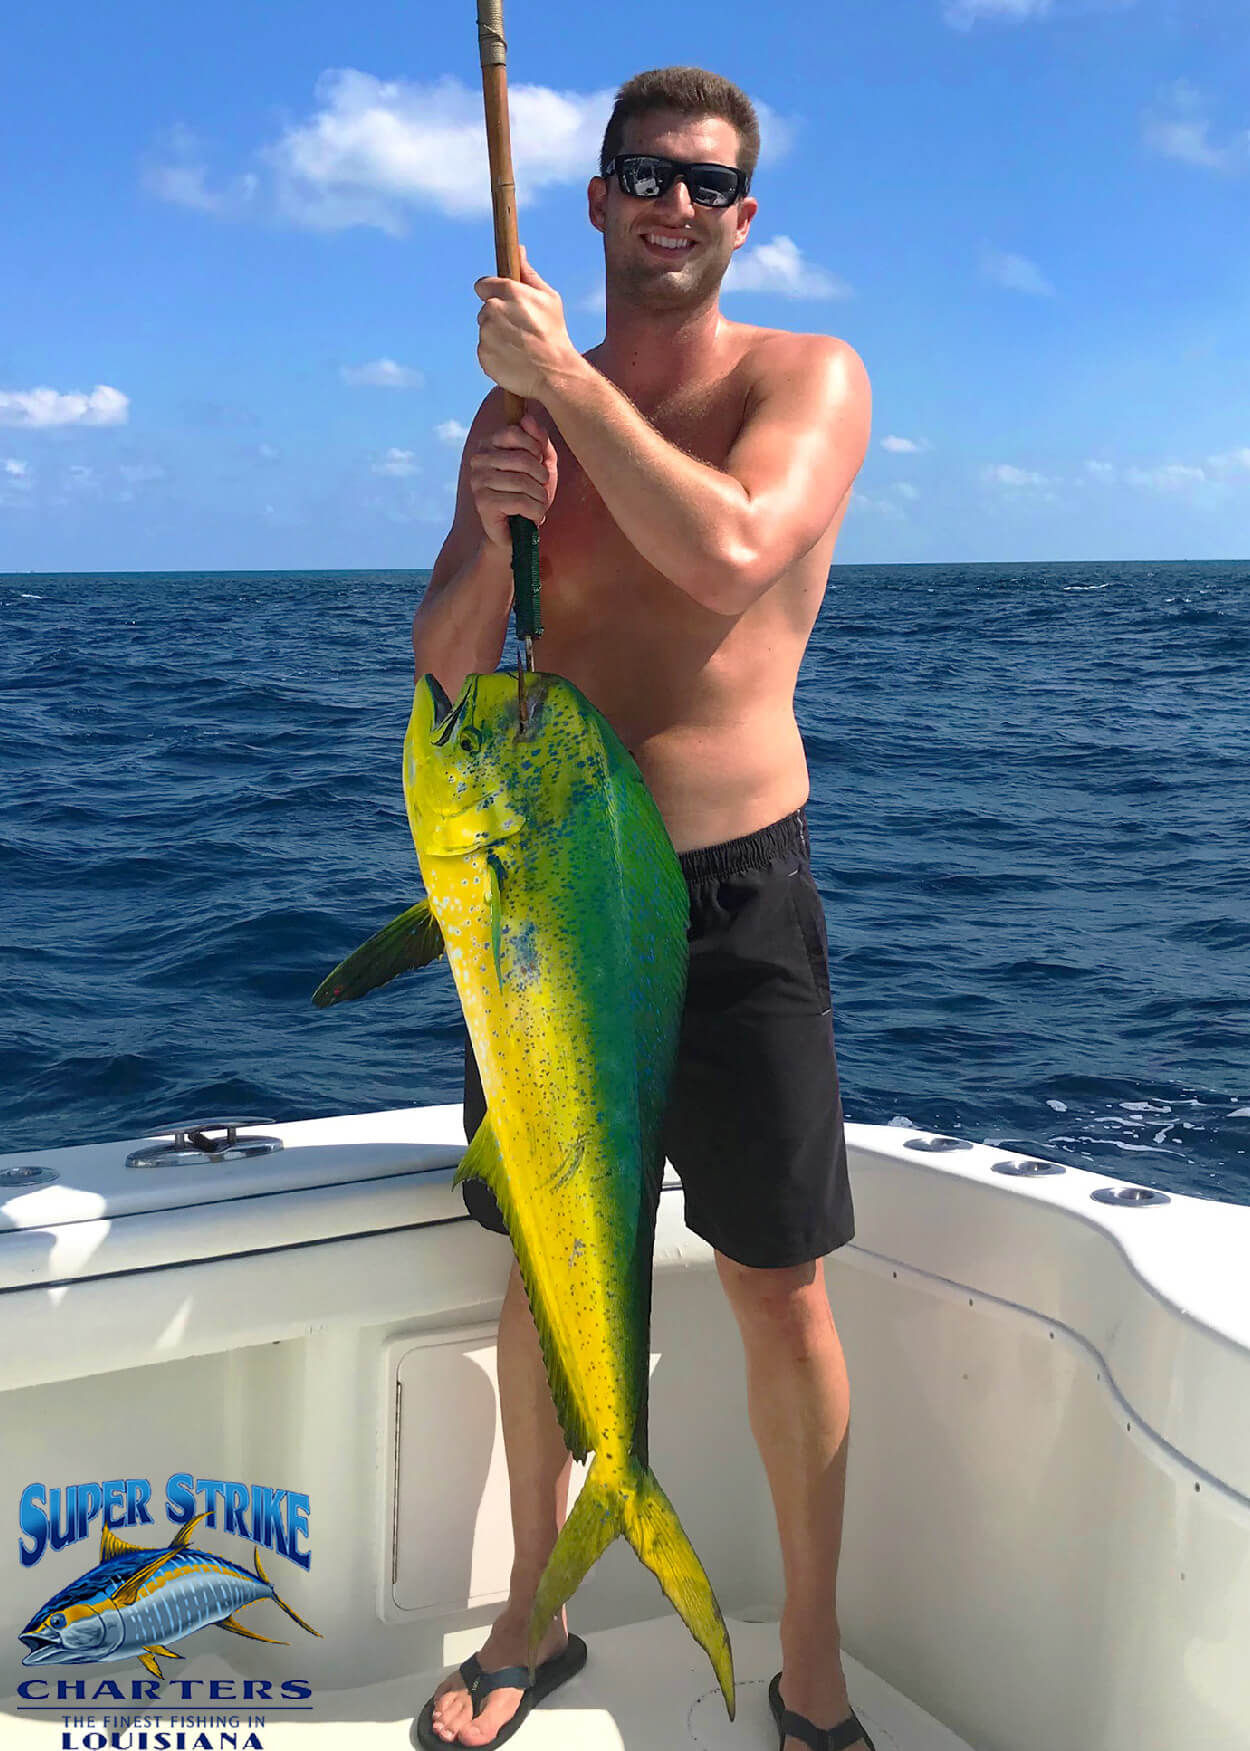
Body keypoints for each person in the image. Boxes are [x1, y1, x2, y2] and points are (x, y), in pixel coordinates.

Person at [411, 65, 873, 1751]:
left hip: (734, 895)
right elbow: (450, 670)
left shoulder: (800, 378)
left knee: (776, 1286)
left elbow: (735, 549)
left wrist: (562, 393)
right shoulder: (526, 416)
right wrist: (484, 524)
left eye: (701, 181)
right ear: (595, 201)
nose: (668, 203)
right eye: (638, 175)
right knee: (544, 1274)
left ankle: (806, 1672)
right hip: (545, 908)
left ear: (740, 218)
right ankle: (534, 1614)